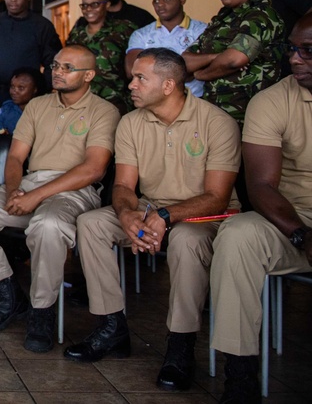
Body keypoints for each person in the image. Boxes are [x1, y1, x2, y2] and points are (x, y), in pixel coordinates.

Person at [64, 49, 240, 393]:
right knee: (92, 223)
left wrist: (164, 217)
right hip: (152, 208)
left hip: (206, 216)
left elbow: (217, 196)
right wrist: (128, 213)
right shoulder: (131, 122)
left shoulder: (217, 122)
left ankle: (181, 345)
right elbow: (124, 186)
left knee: (187, 240)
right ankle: (111, 325)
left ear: (169, 84)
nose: (131, 84)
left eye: (140, 78)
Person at [0, 45, 119, 353]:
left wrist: (35, 197)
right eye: (55, 65)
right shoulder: (38, 106)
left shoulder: (104, 111)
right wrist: (16, 191)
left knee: (49, 224)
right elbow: (15, 158)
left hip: (75, 189)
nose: (57, 71)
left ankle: (43, 312)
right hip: (31, 182)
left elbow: (93, 169)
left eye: (68, 67)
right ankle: (8, 293)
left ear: (89, 75)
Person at [209, 14, 312, 403]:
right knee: (237, 236)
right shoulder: (271, 100)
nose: (296, 59)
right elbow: (261, 185)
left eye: (309, 51)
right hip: (291, 216)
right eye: (292, 49)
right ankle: (240, 374)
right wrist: (301, 234)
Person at [183, 0, 284, 126]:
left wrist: (200, 74)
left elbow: (234, 60)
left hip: (252, 115)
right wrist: (216, 57)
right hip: (215, 113)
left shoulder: (261, 15)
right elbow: (184, 61)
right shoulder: (221, 19)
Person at [125, 0, 208, 97]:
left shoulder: (202, 30)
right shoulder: (142, 34)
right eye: (156, 1)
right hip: (153, 101)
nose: (160, 5)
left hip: (194, 99)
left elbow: (211, 67)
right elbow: (132, 70)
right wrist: (187, 71)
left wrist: (151, 71)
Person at [67, 0, 136, 114]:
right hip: (83, 100)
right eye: (84, 5)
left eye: (95, 4)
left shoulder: (123, 29)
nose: (88, 9)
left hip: (115, 101)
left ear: (107, 5)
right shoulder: (77, 34)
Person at [0, 67, 45, 135]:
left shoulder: (43, 112)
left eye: (21, 88)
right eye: (12, 86)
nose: (14, 91)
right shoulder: (6, 109)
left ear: (35, 89)